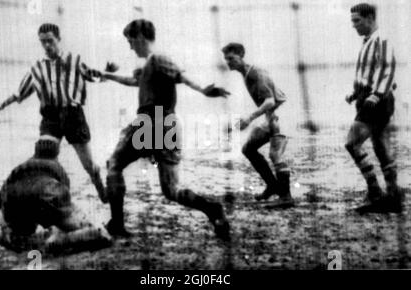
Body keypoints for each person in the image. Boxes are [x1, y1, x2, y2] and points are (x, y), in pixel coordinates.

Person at [100, 19, 231, 240]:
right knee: (171, 190)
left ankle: (116, 224)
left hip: (151, 121)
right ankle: (213, 210)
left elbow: (180, 75)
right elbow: (134, 81)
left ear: (141, 36)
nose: (130, 46)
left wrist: (203, 90)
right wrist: (107, 76)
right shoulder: (150, 65)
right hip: (167, 124)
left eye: (130, 40)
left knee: (114, 165)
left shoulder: (158, 58)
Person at [0, 23, 108, 203]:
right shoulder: (37, 69)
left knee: (89, 166)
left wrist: (108, 72)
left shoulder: (74, 61)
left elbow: (96, 77)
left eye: (50, 41)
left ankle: (102, 192)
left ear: (58, 39)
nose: (47, 46)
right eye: (43, 42)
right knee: (43, 159)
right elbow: (19, 94)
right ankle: (47, 199)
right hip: (50, 118)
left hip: (73, 116)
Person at [0, 136, 111, 253]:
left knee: (12, 225)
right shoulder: (58, 168)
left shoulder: (18, 169)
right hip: (46, 198)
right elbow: (65, 202)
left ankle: (11, 236)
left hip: (16, 205)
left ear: (35, 150)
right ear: (57, 153)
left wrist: (6, 224)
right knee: (90, 229)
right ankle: (63, 240)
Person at [221, 43, 295, 209]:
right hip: (271, 116)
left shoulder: (255, 72)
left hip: (281, 115)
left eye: (231, 58)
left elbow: (270, 101)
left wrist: (249, 118)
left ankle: (286, 197)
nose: (228, 62)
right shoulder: (246, 73)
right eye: (226, 59)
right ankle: (272, 186)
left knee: (276, 155)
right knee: (248, 148)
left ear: (241, 56)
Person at [345, 3, 401, 213]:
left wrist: (376, 94)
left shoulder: (382, 38)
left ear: (370, 18)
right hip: (368, 98)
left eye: (356, 20)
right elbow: (370, 73)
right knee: (380, 146)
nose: (354, 25)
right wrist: (355, 93)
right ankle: (393, 197)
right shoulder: (367, 41)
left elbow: (387, 68)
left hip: (377, 101)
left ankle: (375, 192)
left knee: (351, 143)